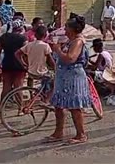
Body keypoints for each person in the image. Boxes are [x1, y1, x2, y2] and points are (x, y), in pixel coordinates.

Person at [46, 15, 91, 144]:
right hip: (63, 76)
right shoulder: (69, 40)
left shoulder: (78, 41)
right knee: (58, 105)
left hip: (73, 76)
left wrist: (58, 51)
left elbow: (71, 58)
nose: (64, 29)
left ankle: (81, 134)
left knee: (75, 107)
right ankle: (58, 132)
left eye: (66, 27)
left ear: (72, 29)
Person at [0, 20, 28, 102]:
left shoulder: (3, 37)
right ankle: (20, 107)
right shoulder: (23, 38)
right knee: (18, 87)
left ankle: (2, 106)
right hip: (19, 65)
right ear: (21, 28)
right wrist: (27, 64)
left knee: (6, 86)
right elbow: (25, 53)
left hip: (6, 63)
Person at [16, 26, 56, 90]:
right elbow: (50, 61)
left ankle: (31, 93)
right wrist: (55, 68)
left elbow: (17, 54)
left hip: (31, 72)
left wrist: (23, 64)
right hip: (41, 73)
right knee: (53, 82)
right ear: (45, 35)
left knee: (30, 78)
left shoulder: (29, 44)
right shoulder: (45, 46)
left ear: (35, 35)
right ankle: (46, 97)